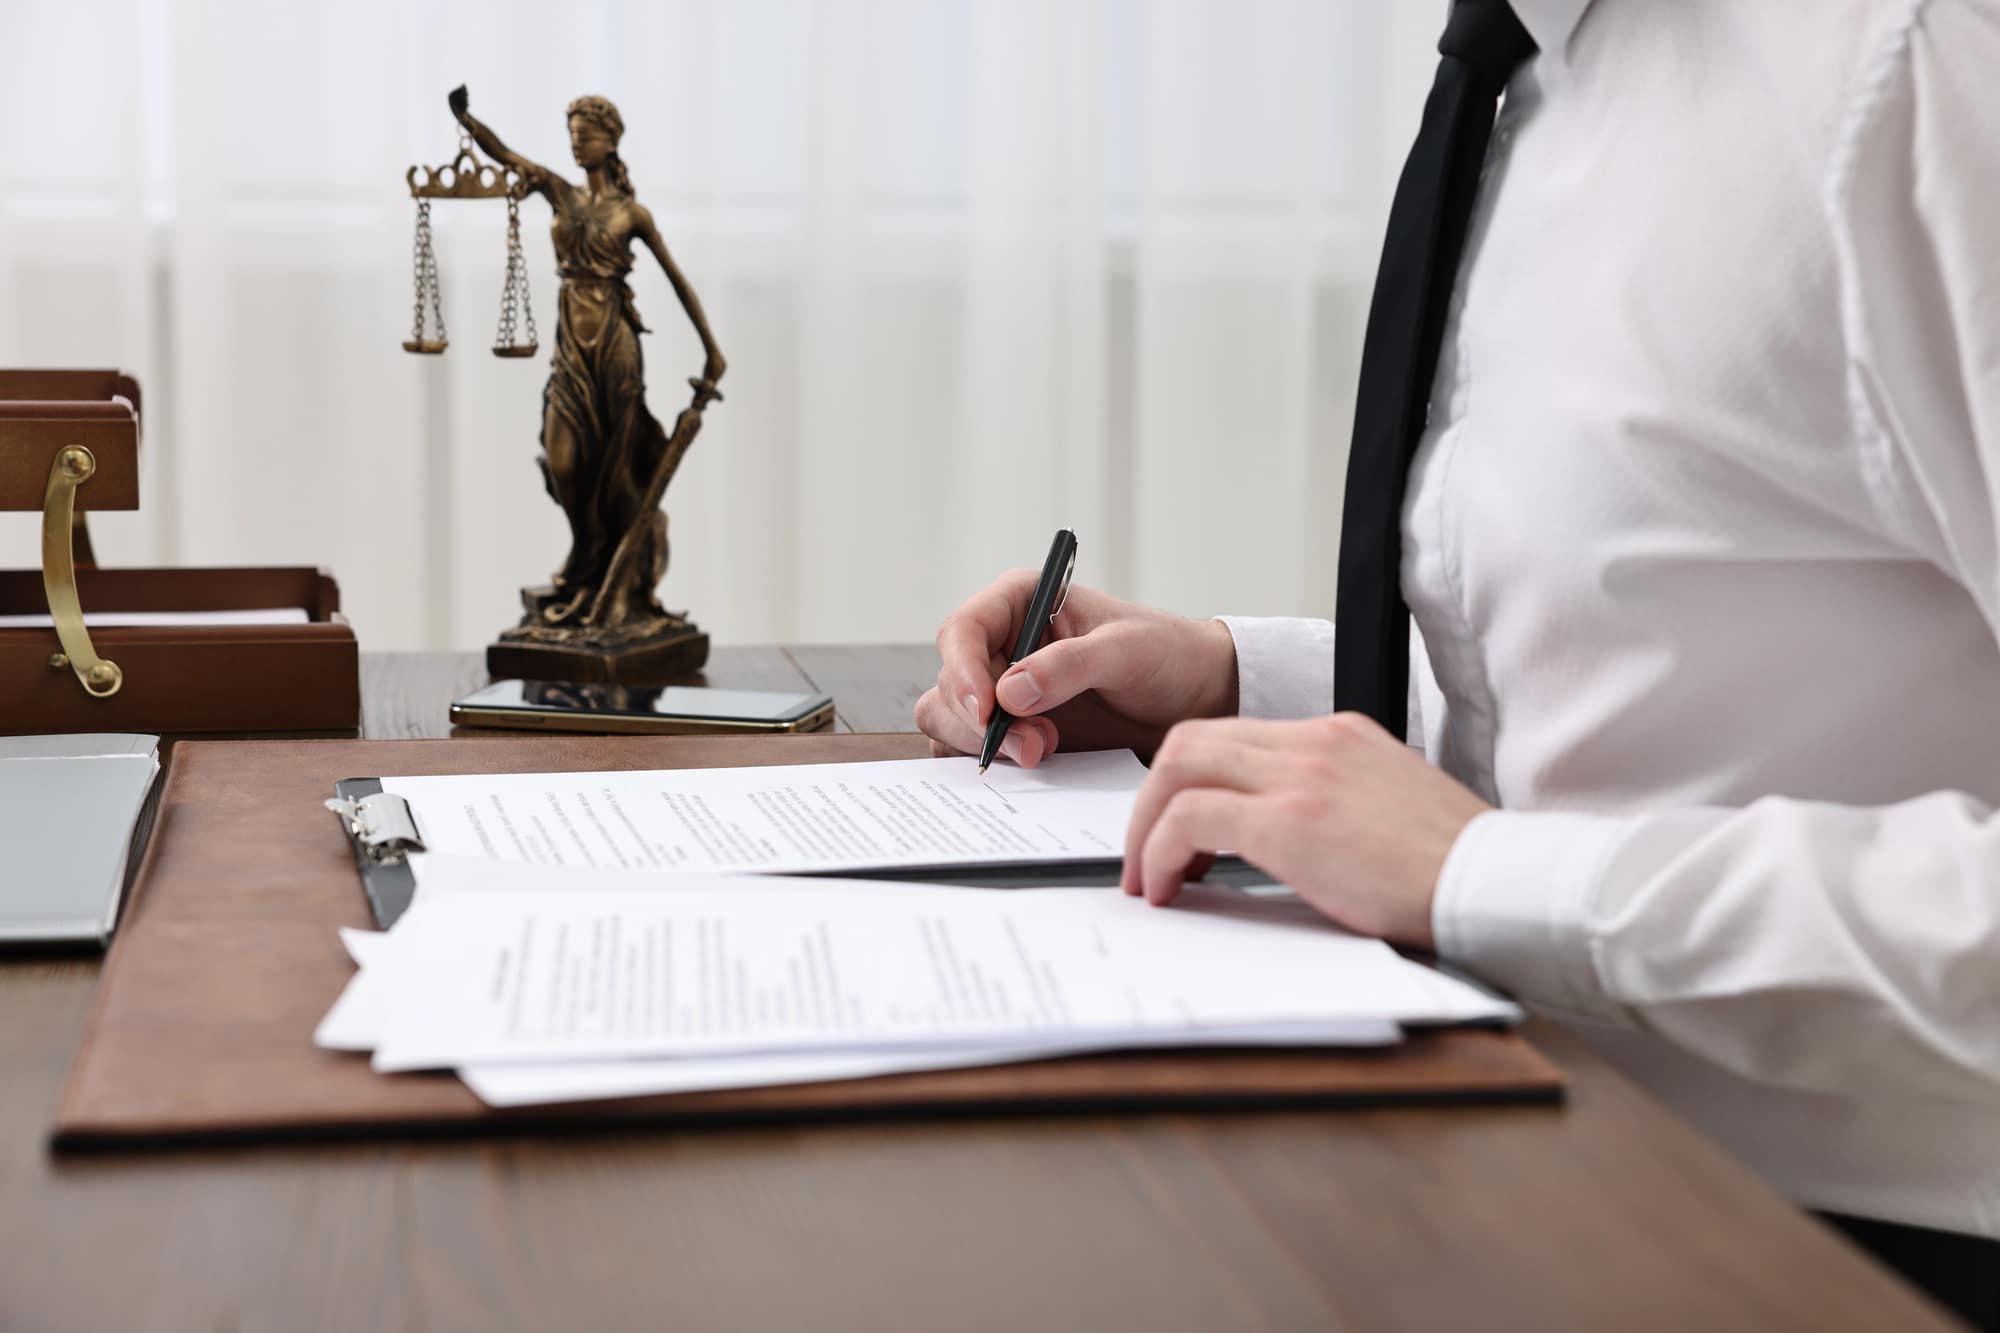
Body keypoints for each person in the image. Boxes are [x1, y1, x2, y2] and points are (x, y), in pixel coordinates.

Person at [916, 1, 2000, 1326]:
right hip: (1509, 1160)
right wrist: (1232, 683)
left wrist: (1485, 876)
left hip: (1839, 1255)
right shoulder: (1541, 77)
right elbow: (1636, 665)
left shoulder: (1920, 68)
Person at [451, 87, 726, 629]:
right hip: (570, 347)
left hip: (616, 344)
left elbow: (678, 282)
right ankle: (587, 558)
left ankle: (617, 579)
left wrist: (711, 351)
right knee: (564, 460)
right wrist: (466, 120)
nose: (576, 145)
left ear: (610, 141)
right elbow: (506, 156)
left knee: (615, 466)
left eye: (586, 136)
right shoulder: (561, 194)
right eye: (572, 137)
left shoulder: (632, 215)